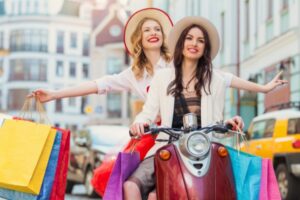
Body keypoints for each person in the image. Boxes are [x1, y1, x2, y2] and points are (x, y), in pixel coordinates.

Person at [125, 16, 287, 200]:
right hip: (165, 147)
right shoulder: (162, 77)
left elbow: (216, 126)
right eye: (189, 38)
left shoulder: (215, 81)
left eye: (200, 40)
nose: (194, 43)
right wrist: (139, 124)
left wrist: (228, 124)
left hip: (201, 153)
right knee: (131, 185)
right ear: (181, 43)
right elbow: (148, 113)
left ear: (205, 49)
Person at [28, 8, 173, 103]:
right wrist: (54, 94)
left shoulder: (177, 63)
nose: (153, 32)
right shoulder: (134, 75)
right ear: (139, 39)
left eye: (157, 29)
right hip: (161, 135)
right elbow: (97, 84)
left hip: (191, 132)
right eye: (147, 30)